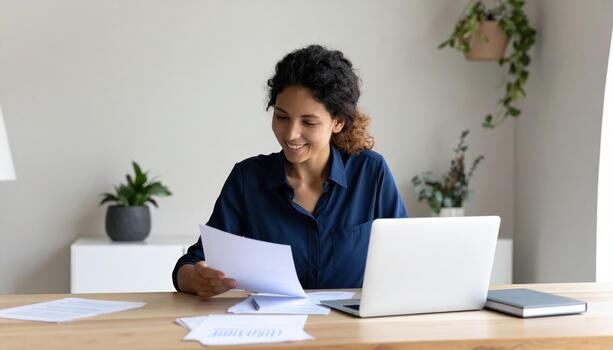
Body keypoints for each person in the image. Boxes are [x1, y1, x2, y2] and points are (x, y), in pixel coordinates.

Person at [173, 44, 408, 299]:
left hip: (352, 329)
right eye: (282, 117)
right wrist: (196, 279)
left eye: (308, 122)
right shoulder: (247, 179)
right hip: (273, 329)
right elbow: (193, 262)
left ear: (337, 122)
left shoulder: (371, 173)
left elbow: (406, 256)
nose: (290, 134)